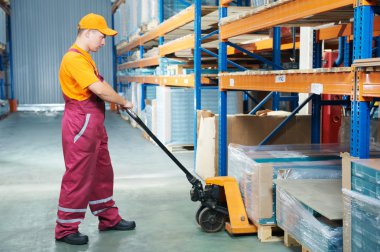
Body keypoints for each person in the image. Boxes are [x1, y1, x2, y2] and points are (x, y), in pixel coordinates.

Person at [55, 13, 135, 245]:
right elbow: (98, 90)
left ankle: (108, 218)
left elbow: (101, 83)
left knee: (102, 170)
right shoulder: (73, 59)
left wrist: (119, 100)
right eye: (101, 37)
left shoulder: (85, 57)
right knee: (78, 174)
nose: (103, 41)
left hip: (93, 122)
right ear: (88, 33)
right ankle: (66, 228)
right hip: (81, 121)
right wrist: (123, 102)